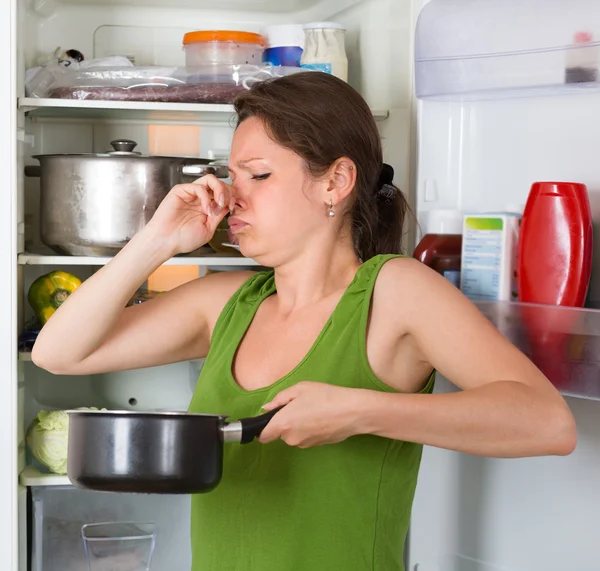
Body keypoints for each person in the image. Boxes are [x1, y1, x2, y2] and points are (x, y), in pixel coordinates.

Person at [32, 72, 576, 571]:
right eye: (229, 174)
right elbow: (59, 353)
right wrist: (156, 240)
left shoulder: (394, 292)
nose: (231, 196)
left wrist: (360, 411)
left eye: (259, 174)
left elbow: (547, 423)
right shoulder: (226, 303)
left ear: (334, 181)